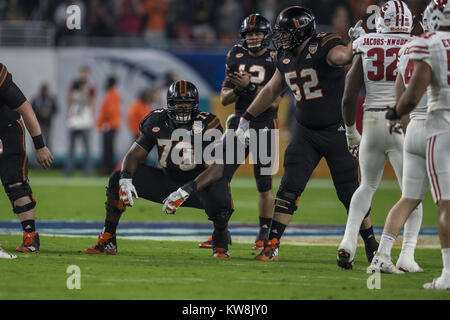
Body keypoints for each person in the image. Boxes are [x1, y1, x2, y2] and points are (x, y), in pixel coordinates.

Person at [235, 6, 378, 261]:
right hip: (306, 132)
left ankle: (370, 244)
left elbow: (342, 56)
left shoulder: (325, 44)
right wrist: (246, 118)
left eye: (287, 33)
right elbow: (270, 90)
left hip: (337, 130)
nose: (283, 38)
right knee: (289, 187)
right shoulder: (285, 56)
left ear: (303, 31)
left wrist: (356, 43)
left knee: (349, 192)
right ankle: (273, 244)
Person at [85, 80, 234, 258]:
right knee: (117, 179)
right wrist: (125, 179)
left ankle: (220, 239)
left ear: (195, 105)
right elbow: (133, 156)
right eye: (179, 103)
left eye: (187, 103)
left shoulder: (207, 123)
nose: (183, 108)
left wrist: (187, 190)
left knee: (221, 191)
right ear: (169, 104)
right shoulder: (156, 120)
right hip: (165, 180)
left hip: (196, 185)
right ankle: (108, 239)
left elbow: (216, 168)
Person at [337, 0, 423, 271]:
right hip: (401, 120)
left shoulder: (365, 42)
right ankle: (406, 255)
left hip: (373, 120)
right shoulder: (417, 44)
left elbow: (349, 95)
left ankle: (348, 242)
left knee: (366, 186)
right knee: (412, 193)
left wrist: (351, 130)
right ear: (408, 22)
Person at [379, 0, 450, 290]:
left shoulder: (426, 43)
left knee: (431, 201)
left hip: (436, 126)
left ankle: (383, 255)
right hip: (434, 129)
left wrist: (397, 112)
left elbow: (409, 91)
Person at [198, 13, 280, 251]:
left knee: (264, 183)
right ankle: (221, 232)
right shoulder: (236, 54)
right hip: (240, 123)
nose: (253, 38)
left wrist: (250, 86)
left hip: (265, 124)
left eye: (257, 33)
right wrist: (239, 89)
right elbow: (224, 98)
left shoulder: (275, 59)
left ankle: (264, 232)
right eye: (249, 34)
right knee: (220, 177)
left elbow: (274, 103)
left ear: (266, 35)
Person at [367, 10, 430, 274]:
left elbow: (400, 97)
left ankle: (382, 255)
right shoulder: (441, 49)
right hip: (440, 127)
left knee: (409, 198)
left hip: (413, 126)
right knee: (445, 202)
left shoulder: (409, 48)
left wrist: (408, 127)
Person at [0, 63, 54, 253]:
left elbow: (25, 108)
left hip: (6, 130)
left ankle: (30, 237)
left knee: (15, 183)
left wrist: (40, 145)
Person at [64, 66, 96, 177]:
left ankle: (88, 171)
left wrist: (85, 92)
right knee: (71, 148)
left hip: (85, 120)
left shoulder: (90, 87)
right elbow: (68, 100)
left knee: (87, 148)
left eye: (85, 73)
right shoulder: (74, 85)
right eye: (82, 73)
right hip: (74, 120)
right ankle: (68, 171)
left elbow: (91, 103)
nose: (83, 75)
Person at [96, 76, 121, 175]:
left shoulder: (112, 94)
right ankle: (107, 169)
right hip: (111, 125)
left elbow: (111, 111)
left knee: (108, 149)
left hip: (109, 125)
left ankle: (107, 169)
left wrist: (106, 123)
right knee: (108, 149)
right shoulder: (113, 94)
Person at [31, 83, 58, 150]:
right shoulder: (36, 99)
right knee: (37, 141)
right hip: (38, 123)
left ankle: (48, 158)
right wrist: (40, 113)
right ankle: (36, 159)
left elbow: (56, 109)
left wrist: (48, 113)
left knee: (48, 141)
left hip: (47, 123)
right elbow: (31, 110)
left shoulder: (51, 99)